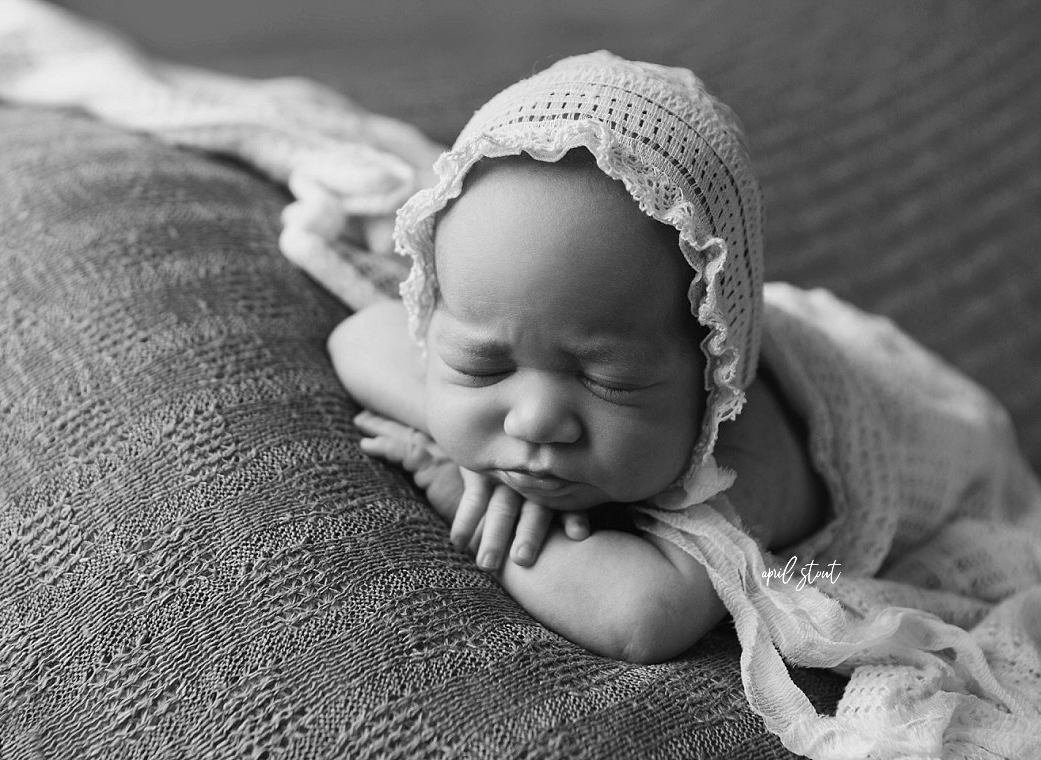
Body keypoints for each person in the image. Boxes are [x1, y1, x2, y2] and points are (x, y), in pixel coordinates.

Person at [327, 51, 1041, 676]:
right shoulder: (549, 329)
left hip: (938, 448)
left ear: (713, 373)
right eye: (482, 366)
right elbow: (358, 338)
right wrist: (461, 432)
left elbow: (644, 616)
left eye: (610, 380)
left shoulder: (749, 457)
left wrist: (461, 488)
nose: (535, 418)